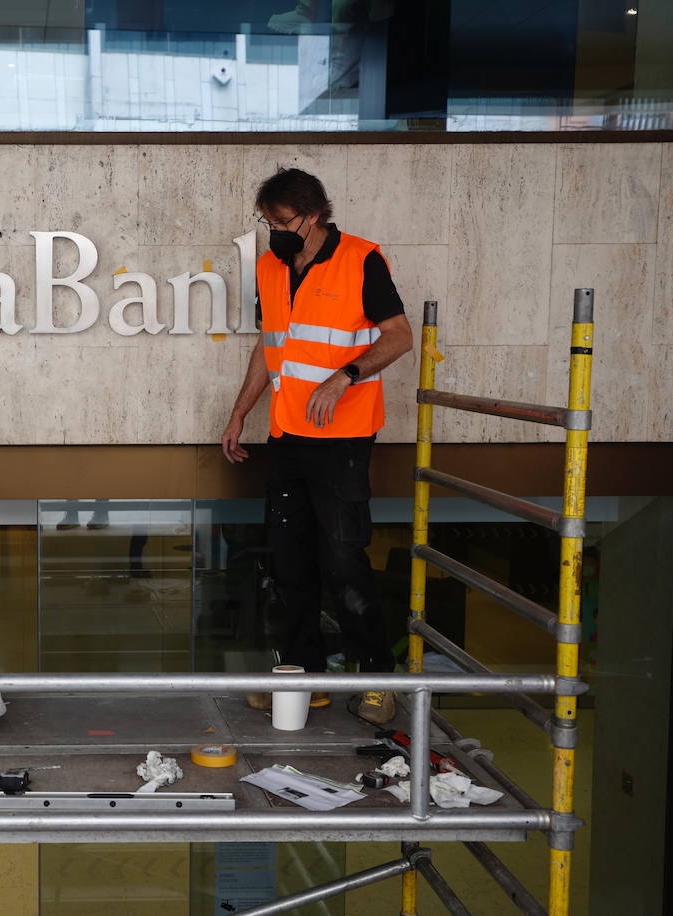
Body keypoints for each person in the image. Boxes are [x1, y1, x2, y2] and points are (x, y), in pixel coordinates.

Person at [220, 167, 412, 726]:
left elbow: (399, 335)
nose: (273, 231)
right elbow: (270, 344)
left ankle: (378, 680)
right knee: (289, 565)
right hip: (286, 437)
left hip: (343, 440)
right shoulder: (270, 266)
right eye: (267, 222)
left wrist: (345, 375)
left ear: (314, 214)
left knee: (343, 560)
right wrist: (239, 412)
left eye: (282, 222)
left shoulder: (362, 259)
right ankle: (303, 682)